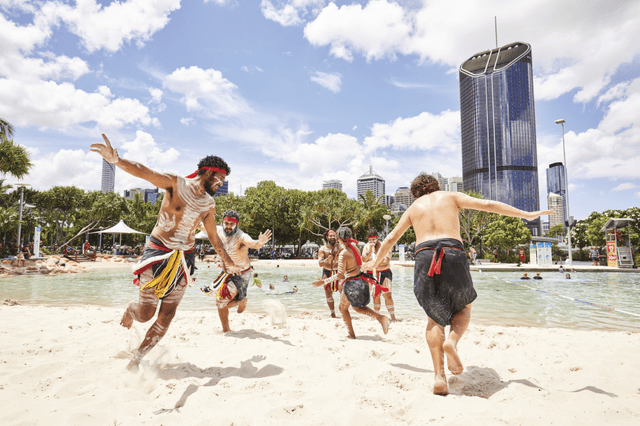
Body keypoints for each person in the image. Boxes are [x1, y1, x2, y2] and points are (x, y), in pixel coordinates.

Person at [361, 172, 553, 396]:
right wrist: (526, 214)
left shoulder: (413, 208)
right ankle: (452, 341)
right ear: (436, 186)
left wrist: (375, 262)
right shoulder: (450, 196)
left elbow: (391, 238)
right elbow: (489, 204)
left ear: (415, 193)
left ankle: (439, 377)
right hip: (452, 251)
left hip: (424, 256)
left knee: (434, 317)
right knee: (463, 307)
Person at [91, 133, 241, 371]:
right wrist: (116, 161)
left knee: (167, 315)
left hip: (183, 261)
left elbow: (213, 236)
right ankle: (132, 310)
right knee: (146, 314)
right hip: (157, 254)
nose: (221, 183)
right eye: (220, 178)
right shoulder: (176, 183)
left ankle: (136, 360)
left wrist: (227, 262)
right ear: (207, 172)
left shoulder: (209, 204)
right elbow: (144, 171)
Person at [312, 227, 390, 339]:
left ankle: (353, 334)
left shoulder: (344, 253)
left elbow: (339, 275)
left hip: (352, 284)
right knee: (357, 307)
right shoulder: (355, 248)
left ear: (340, 239)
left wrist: (323, 281)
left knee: (343, 308)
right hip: (361, 281)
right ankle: (380, 318)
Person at [202, 209, 272, 333]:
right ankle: (227, 328)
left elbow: (253, 244)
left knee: (221, 302)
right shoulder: (218, 230)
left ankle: (241, 302)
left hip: (241, 274)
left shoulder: (241, 236)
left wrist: (260, 243)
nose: (228, 227)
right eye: (226, 223)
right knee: (220, 302)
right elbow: (200, 225)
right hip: (226, 273)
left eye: (231, 224)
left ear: (237, 224)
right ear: (223, 222)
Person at [362, 229, 397, 321]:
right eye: (370, 240)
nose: (372, 242)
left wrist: (374, 262)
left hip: (384, 272)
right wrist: (370, 251)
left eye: (373, 239)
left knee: (387, 295)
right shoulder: (366, 247)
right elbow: (364, 260)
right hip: (371, 273)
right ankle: (377, 315)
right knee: (375, 294)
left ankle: (393, 317)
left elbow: (386, 261)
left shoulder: (384, 246)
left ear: (377, 238)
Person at [318, 229, 341, 318]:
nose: (332, 237)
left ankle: (343, 311)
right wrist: (327, 260)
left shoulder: (340, 247)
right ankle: (332, 313)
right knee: (328, 293)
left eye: (334, 236)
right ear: (327, 237)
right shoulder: (323, 249)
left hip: (339, 271)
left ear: (336, 237)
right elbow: (320, 263)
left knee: (343, 292)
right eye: (330, 236)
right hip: (327, 271)